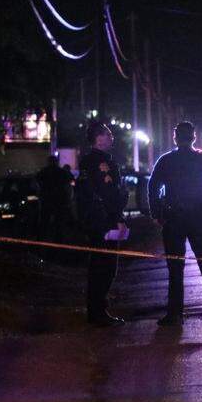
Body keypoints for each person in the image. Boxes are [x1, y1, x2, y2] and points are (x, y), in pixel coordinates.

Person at [148, 122, 202, 327]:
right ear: (194, 137)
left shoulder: (166, 161)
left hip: (173, 219)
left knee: (175, 268)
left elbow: (153, 186)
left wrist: (157, 213)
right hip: (199, 218)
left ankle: (174, 314)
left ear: (175, 138)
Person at [76, 123, 128, 326]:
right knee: (105, 267)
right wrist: (118, 217)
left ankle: (97, 311)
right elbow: (109, 194)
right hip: (104, 221)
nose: (111, 137)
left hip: (96, 220)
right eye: (107, 134)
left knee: (101, 266)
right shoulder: (99, 162)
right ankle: (98, 313)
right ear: (98, 139)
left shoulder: (90, 161)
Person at [36, 155, 74, 242]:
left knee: (44, 221)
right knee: (59, 223)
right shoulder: (61, 172)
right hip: (59, 200)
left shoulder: (44, 171)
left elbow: (37, 181)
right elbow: (70, 179)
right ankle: (58, 240)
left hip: (47, 200)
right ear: (56, 162)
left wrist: (42, 190)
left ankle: (41, 240)